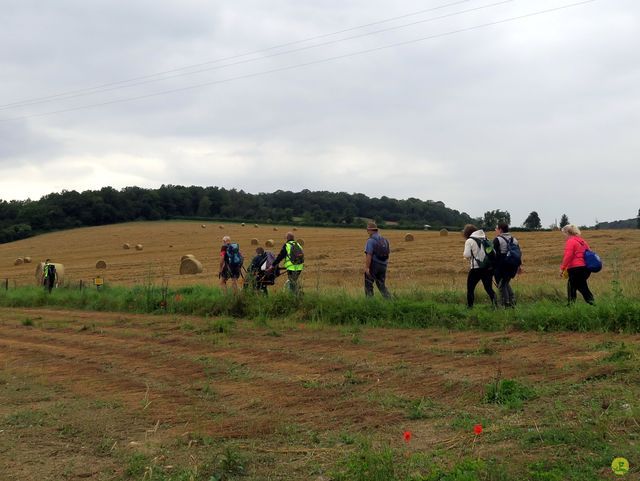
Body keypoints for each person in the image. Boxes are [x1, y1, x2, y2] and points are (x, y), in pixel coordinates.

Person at [462, 224, 496, 308]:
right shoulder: (486, 238)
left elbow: (466, 255)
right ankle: (496, 305)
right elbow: (493, 252)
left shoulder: (469, 240)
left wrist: (467, 257)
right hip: (488, 268)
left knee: (470, 289)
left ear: (467, 233)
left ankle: (470, 307)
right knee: (488, 288)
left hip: (476, 269)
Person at [560, 224, 595, 305]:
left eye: (564, 234)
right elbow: (590, 252)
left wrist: (562, 268)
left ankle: (592, 304)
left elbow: (568, 255)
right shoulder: (582, 241)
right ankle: (572, 305)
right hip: (585, 268)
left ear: (567, 233)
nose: (564, 236)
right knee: (574, 286)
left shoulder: (570, 241)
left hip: (576, 269)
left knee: (579, 287)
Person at [493, 222, 521, 308]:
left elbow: (493, 254)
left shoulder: (497, 240)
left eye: (496, 229)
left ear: (500, 230)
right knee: (505, 283)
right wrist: (519, 266)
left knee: (501, 285)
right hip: (513, 266)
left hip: (501, 266)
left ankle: (505, 304)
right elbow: (519, 253)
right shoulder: (514, 239)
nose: (495, 230)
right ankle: (512, 301)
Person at [364, 222, 391, 298]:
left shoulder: (370, 240)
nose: (367, 231)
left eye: (367, 230)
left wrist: (367, 268)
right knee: (381, 285)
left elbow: (369, 255)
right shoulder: (385, 240)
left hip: (374, 265)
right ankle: (391, 301)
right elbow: (388, 252)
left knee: (368, 284)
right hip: (384, 265)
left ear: (370, 230)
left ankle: (370, 303)